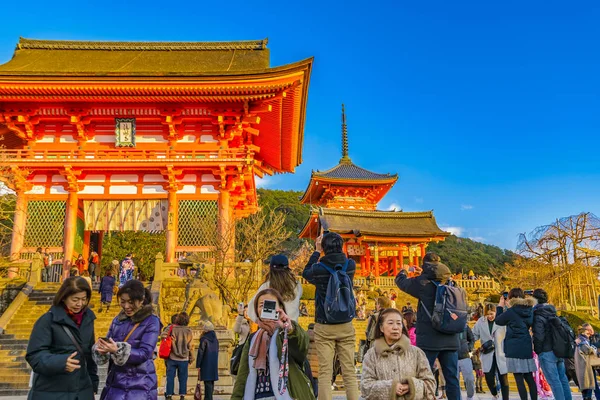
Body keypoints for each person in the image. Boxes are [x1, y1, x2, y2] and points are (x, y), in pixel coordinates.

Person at [395, 252, 461, 400]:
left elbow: (401, 282)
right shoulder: (451, 281)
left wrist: (404, 270)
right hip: (450, 337)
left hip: (429, 339)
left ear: (424, 265)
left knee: (422, 376)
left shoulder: (422, 283)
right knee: (452, 378)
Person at [302, 232, 359, 400]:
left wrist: (317, 251)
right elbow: (342, 261)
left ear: (324, 248)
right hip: (346, 324)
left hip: (324, 323)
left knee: (325, 371)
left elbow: (306, 272)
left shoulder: (318, 269)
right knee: (348, 371)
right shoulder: (350, 266)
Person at [231, 288, 316, 400]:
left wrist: (289, 329)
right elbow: (243, 375)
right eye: (261, 305)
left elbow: (301, 348)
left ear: (280, 308)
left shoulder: (287, 331)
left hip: (287, 395)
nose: (266, 308)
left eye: (271, 304)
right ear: (257, 310)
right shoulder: (253, 338)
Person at [26, 277, 98, 399]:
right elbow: (34, 355)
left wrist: (93, 383)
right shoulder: (47, 321)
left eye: (83, 299)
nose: (79, 304)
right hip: (52, 392)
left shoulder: (88, 320)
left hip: (81, 391)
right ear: (63, 297)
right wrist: (60, 362)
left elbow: (88, 356)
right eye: (75, 300)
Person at [93, 279, 160, 399]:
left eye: (131, 302)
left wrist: (117, 350)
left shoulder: (151, 321)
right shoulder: (117, 320)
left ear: (141, 300)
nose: (126, 306)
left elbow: (145, 353)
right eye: (123, 302)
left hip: (140, 384)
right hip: (116, 383)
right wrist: (103, 349)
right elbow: (109, 342)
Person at [361, 308, 436, 400]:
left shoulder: (417, 353)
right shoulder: (371, 355)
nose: (395, 327)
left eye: (398, 323)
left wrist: (411, 386)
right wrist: (391, 387)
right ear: (381, 327)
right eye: (390, 323)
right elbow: (365, 386)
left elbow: (430, 384)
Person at [495, 288, 537, 400]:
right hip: (526, 345)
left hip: (514, 347)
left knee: (519, 378)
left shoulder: (512, 311)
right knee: (529, 377)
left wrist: (500, 306)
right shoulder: (529, 310)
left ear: (511, 298)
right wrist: (511, 309)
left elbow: (498, 320)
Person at [531, 288, 573, 400]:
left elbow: (539, 336)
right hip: (558, 350)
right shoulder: (552, 312)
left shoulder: (538, 315)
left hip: (546, 351)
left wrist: (538, 350)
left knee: (554, 381)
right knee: (562, 379)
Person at [248, 254, 303, 322]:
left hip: (272, 327)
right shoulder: (296, 286)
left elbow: (251, 309)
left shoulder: (266, 286)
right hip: (292, 327)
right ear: (288, 268)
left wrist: (260, 321)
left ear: (270, 269)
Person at [472, 304, 509, 400]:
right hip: (487, 353)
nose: (490, 316)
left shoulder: (501, 321)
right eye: (487, 314)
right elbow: (474, 335)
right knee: (489, 377)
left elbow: (508, 334)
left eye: (491, 314)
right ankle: (494, 394)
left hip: (500, 352)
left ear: (495, 312)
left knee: (503, 378)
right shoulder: (481, 321)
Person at [166, 312, 194, 400]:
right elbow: (191, 346)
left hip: (172, 357)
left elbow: (163, 335)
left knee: (170, 377)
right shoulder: (188, 331)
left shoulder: (172, 329)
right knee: (183, 378)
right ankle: (182, 395)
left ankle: (169, 395)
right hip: (184, 358)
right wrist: (191, 357)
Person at [575, 324, 600, 400]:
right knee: (590, 382)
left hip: (593, 363)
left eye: (591, 329)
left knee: (591, 382)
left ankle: (589, 397)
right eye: (588, 331)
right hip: (588, 364)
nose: (590, 331)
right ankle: (589, 397)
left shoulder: (596, 336)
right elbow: (587, 349)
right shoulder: (582, 341)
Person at [196, 321, 219, 400]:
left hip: (206, 363)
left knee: (207, 383)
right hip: (213, 364)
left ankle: (208, 398)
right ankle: (209, 397)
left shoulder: (204, 339)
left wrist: (198, 364)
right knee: (211, 382)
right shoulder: (215, 339)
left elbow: (200, 352)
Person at [458, 325, 476, 400]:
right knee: (454, 380)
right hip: (451, 357)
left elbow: (472, 339)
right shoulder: (449, 325)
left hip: (465, 356)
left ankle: (470, 396)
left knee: (470, 379)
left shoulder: (465, 326)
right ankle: (457, 397)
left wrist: (469, 348)